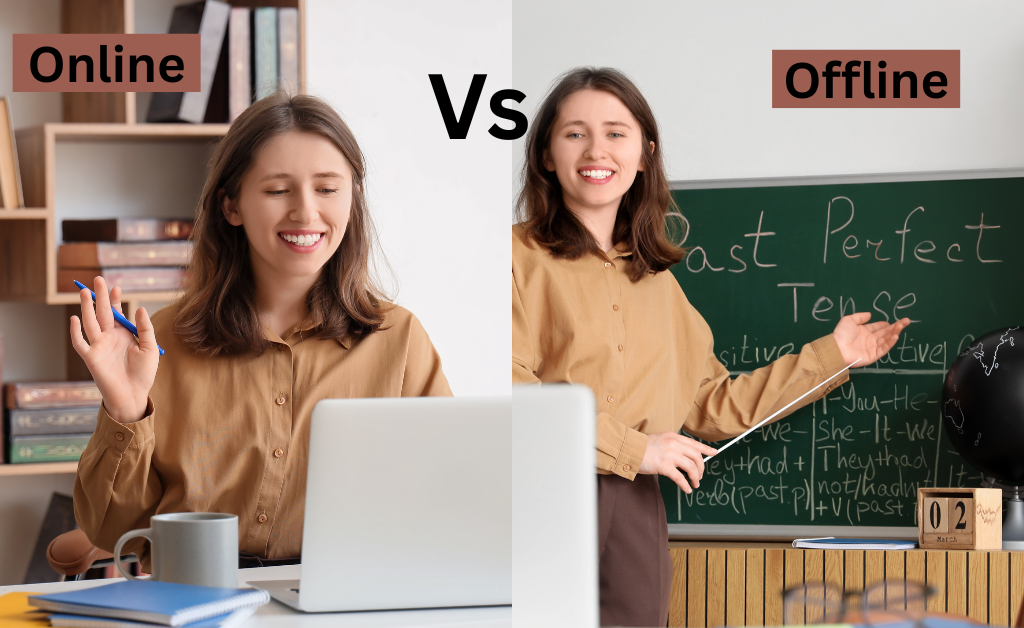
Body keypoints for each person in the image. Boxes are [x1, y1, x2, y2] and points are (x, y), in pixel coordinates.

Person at [511, 67, 910, 627]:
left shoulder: (659, 285)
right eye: (574, 133)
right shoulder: (512, 258)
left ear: (645, 154)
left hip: (633, 506)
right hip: (536, 495)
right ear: (547, 154)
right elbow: (510, 392)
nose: (595, 150)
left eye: (616, 133)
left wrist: (833, 356)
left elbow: (713, 404)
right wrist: (634, 450)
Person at [72, 94, 451, 570]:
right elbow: (112, 532)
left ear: (352, 200)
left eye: (328, 189)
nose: (306, 213)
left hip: (342, 599)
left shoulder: (398, 338)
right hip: (193, 598)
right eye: (278, 191)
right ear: (231, 205)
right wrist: (126, 409)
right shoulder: (157, 343)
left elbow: (447, 499)